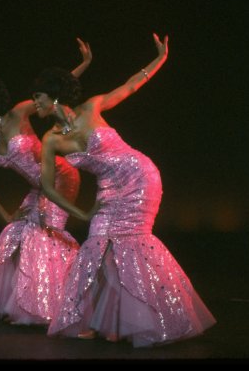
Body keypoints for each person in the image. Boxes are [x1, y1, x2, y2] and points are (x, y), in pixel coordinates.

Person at [35, 33, 216, 347]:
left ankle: (155, 319)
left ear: (52, 99)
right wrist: (81, 212)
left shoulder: (91, 108)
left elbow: (131, 85)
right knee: (97, 247)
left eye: (37, 98)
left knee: (134, 246)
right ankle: (102, 321)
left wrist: (160, 58)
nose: (33, 104)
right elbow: (48, 188)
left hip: (140, 177)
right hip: (108, 189)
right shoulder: (51, 139)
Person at [0, 39, 92, 326]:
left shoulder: (19, 113)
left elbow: (51, 96)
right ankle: (30, 300)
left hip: (61, 177)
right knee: (16, 233)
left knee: (44, 231)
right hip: (39, 187)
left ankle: (69, 298)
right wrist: (6, 215)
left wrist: (84, 64)